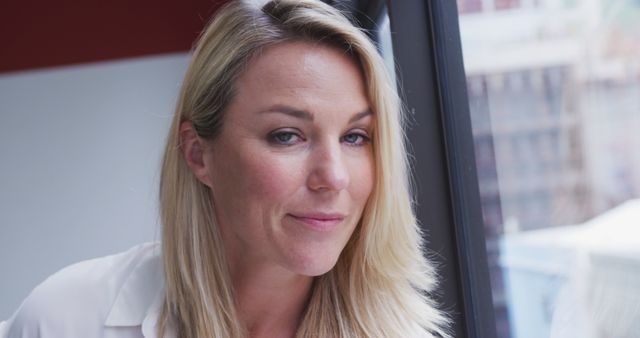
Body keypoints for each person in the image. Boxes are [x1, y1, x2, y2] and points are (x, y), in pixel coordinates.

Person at [1, 0, 450, 337]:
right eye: (287, 135)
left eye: (355, 137)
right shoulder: (67, 318)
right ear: (198, 155)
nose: (333, 177)